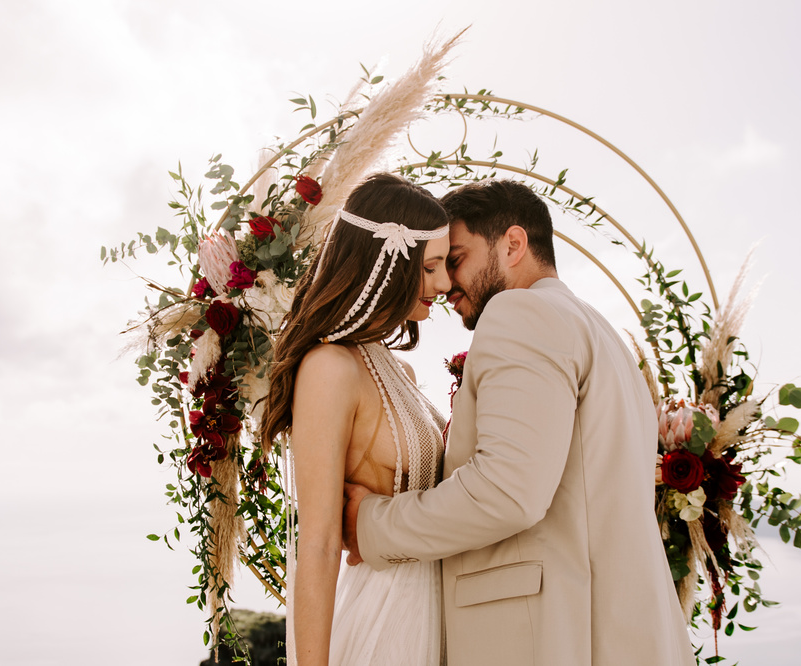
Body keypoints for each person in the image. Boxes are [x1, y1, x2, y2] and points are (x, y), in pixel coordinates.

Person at [343, 179, 694, 665]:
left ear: (512, 244)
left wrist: (372, 525)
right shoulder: (602, 334)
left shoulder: (520, 312)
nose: (444, 283)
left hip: (551, 638)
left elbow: (508, 491)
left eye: (456, 257)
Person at [262, 173, 452, 666]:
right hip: (387, 621)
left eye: (446, 266)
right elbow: (321, 543)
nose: (445, 283)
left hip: (442, 611)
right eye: (431, 267)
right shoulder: (329, 370)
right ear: (388, 265)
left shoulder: (398, 368)